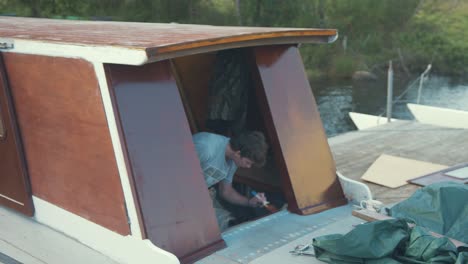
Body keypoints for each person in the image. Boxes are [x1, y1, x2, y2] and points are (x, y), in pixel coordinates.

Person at [193, 131, 268, 230]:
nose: (248, 167)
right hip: (179, 195)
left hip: (199, 197)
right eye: (248, 162)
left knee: (227, 224)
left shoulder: (232, 159)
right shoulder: (205, 147)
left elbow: (226, 191)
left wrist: (249, 202)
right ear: (238, 153)